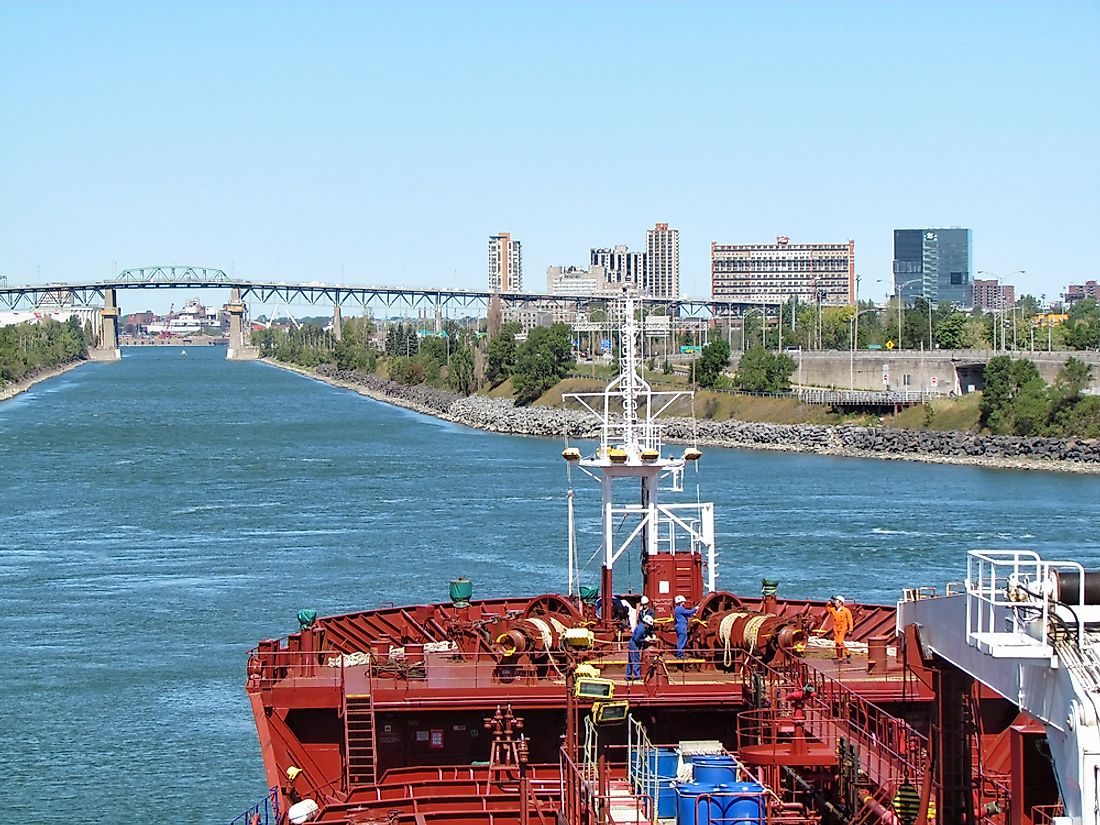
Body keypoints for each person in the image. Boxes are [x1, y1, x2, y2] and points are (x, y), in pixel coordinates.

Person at [824, 595, 854, 661]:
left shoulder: (846, 611)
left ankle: (848, 653)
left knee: (840, 642)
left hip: (843, 627)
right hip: (835, 628)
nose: (835, 603)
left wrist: (850, 629)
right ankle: (839, 657)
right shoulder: (834, 610)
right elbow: (827, 609)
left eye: (836, 602)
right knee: (837, 643)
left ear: (841, 603)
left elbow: (850, 621)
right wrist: (829, 603)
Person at [627, 614, 655, 680]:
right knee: (636, 661)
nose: (649, 626)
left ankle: (628, 676)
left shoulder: (642, 627)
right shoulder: (641, 629)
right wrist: (644, 640)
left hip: (632, 644)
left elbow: (647, 631)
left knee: (631, 661)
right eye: (648, 625)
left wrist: (651, 634)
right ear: (645, 623)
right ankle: (637, 677)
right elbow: (636, 639)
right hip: (634, 645)